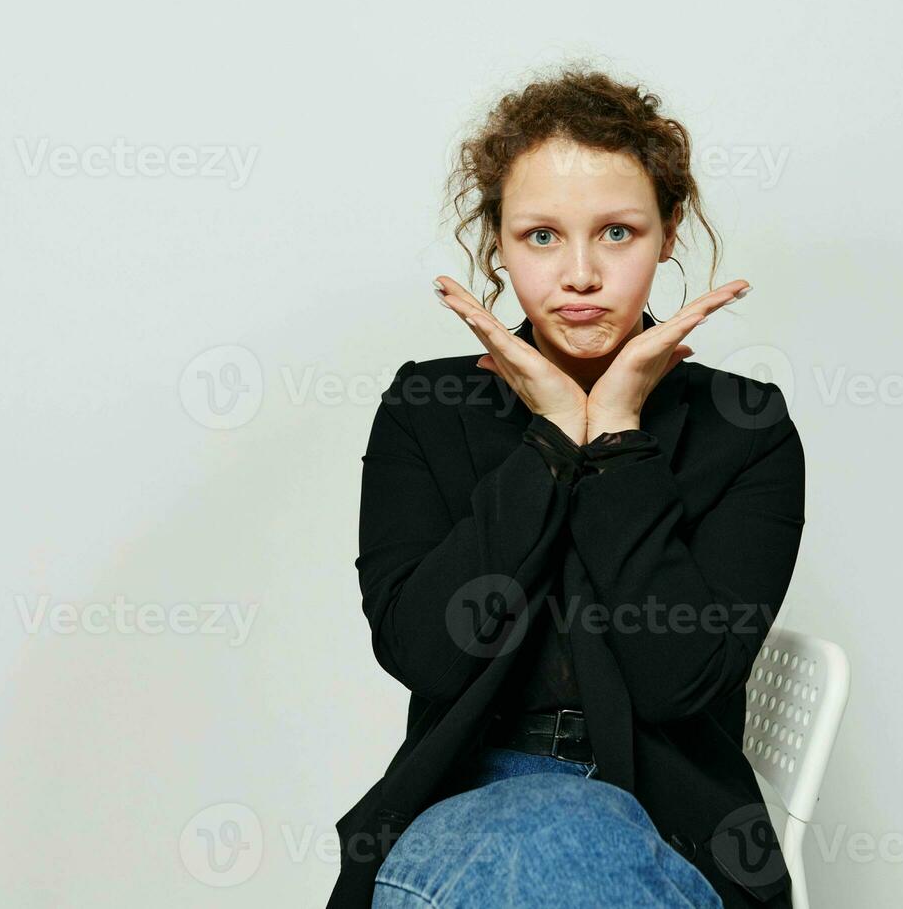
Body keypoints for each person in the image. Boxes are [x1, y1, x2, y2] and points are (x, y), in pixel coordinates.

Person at [328, 67, 806, 908]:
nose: (580, 275)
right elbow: (429, 656)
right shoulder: (427, 410)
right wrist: (550, 440)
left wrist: (617, 434)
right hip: (465, 800)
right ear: (499, 246)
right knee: (521, 841)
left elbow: (675, 682)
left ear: (668, 235)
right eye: (541, 236)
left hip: (673, 827)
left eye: (617, 233)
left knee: (554, 840)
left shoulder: (744, 425)